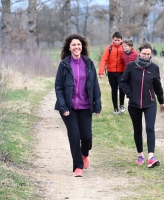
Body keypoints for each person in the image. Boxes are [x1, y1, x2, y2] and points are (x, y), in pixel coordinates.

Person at [54, 34, 102, 177]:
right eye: (74, 45)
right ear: (69, 47)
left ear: (82, 47)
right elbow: (58, 87)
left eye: (79, 44)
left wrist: (97, 105)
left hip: (85, 106)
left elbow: (94, 85)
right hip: (69, 107)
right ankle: (77, 167)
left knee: (86, 137)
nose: (76, 47)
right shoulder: (64, 65)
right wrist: (63, 107)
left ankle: (84, 154)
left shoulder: (88, 63)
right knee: (74, 135)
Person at [120, 42, 164, 168]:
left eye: (148, 54)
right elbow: (123, 82)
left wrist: (161, 101)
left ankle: (151, 156)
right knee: (138, 129)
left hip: (150, 103)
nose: (146, 56)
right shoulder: (131, 67)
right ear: (139, 53)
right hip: (134, 104)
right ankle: (140, 154)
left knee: (150, 128)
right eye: (144, 53)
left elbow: (158, 87)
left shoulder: (154, 68)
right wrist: (130, 94)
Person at [99, 32, 125, 114]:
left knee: (122, 88)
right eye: (115, 40)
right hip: (111, 72)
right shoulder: (109, 48)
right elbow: (104, 59)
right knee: (114, 90)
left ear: (121, 40)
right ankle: (115, 108)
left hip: (122, 72)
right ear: (112, 40)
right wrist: (101, 72)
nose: (117, 42)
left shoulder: (124, 47)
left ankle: (121, 105)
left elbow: (131, 56)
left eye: (118, 40)